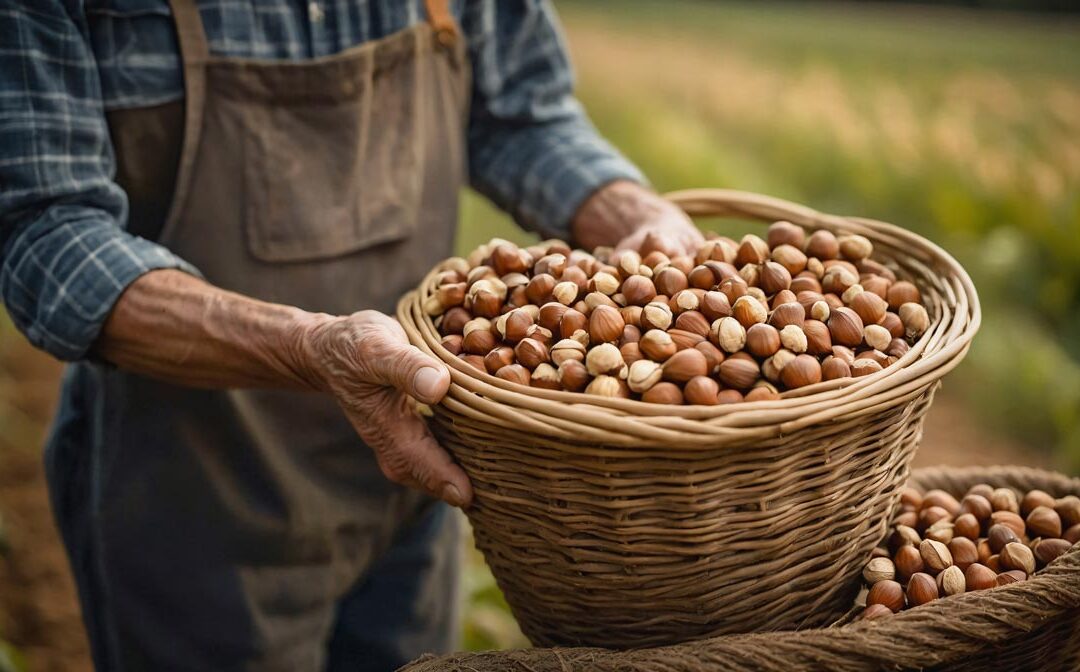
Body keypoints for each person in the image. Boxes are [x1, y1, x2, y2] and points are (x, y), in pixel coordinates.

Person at [0, 1, 703, 670]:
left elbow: (521, 114)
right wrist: (310, 348)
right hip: (189, 488)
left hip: (418, 469)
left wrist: (634, 215)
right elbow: (47, 232)